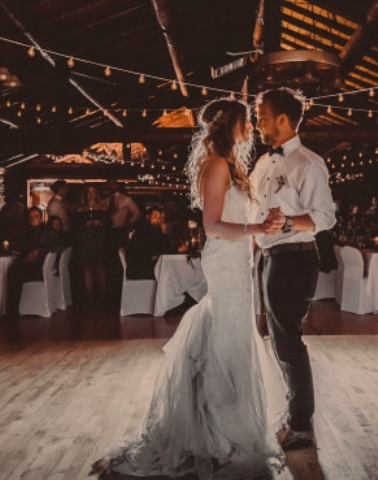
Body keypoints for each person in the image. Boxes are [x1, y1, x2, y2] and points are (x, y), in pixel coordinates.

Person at [92, 99, 286, 479]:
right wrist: (256, 230)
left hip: (238, 261)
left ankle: (225, 428)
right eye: (246, 119)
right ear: (230, 123)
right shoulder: (214, 164)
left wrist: (265, 224)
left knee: (235, 335)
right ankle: (216, 434)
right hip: (224, 259)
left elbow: (233, 219)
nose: (251, 125)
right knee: (226, 336)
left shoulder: (233, 166)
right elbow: (212, 225)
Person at [252, 87, 336, 452]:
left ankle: (301, 423)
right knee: (279, 339)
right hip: (269, 259)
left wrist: (284, 224)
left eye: (262, 116)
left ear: (282, 119)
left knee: (288, 342)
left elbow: (324, 218)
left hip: (296, 258)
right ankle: (294, 416)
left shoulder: (308, 163)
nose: (257, 123)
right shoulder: (262, 164)